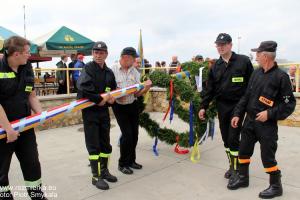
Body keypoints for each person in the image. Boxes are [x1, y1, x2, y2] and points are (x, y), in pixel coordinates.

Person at [228, 41, 296, 199]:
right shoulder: (256, 73)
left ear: (265, 56)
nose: (256, 57)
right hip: (249, 121)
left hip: (267, 125)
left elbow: (289, 104)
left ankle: (276, 186)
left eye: (258, 54)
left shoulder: (281, 77)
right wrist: (238, 113)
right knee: (243, 150)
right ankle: (243, 179)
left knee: (267, 155)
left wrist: (270, 114)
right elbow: (246, 96)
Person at [198, 33, 254, 183]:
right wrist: (203, 106)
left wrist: (250, 105)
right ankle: (232, 165)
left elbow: (252, 84)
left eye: (223, 44)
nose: (220, 47)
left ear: (230, 45)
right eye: (218, 45)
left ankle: (237, 170)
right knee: (226, 139)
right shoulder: (215, 66)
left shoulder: (243, 61)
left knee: (233, 137)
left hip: (239, 105)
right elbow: (210, 89)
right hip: (222, 106)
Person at [0, 36, 47, 199]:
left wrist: (40, 115)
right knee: (1, 172)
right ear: (15, 54)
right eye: (27, 52)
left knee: (32, 163)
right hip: (3, 130)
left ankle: (37, 196)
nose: (30, 55)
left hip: (25, 127)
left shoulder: (27, 67)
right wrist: (8, 129)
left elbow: (31, 95)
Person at [77, 41, 117, 190]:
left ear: (106, 54)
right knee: (94, 145)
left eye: (101, 53)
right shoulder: (87, 69)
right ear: (92, 54)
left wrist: (112, 99)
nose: (98, 55)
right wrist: (100, 100)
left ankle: (105, 171)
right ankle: (96, 176)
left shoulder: (109, 72)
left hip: (103, 112)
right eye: (96, 52)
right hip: (90, 113)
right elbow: (83, 88)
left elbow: (112, 91)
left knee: (105, 143)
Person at [111, 47, 152, 175]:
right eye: (134, 58)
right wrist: (118, 94)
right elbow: (108, 89)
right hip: (119, 106)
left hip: (132, 105)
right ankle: (122, 163)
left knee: (134, 134)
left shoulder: (135, 71)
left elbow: (137, 94)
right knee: (127, 135)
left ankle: (131, 161)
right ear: (126, 57)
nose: (135, 61)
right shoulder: (112, 70)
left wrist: (145, 88)